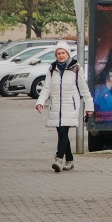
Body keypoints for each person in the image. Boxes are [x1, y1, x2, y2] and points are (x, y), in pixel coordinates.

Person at [35, 42, 94, 173]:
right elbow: (46, 88)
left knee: (63, 132)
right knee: (62, 133)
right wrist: (40, 102)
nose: (61, 56)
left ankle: (58, 159)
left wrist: (89, 107)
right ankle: (70, 160)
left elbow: (84, 89)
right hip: (56, 106)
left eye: (63, 53)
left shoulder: (76, 68)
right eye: (58, 53)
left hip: (70, 106)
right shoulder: (52, 69)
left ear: (68, 54)